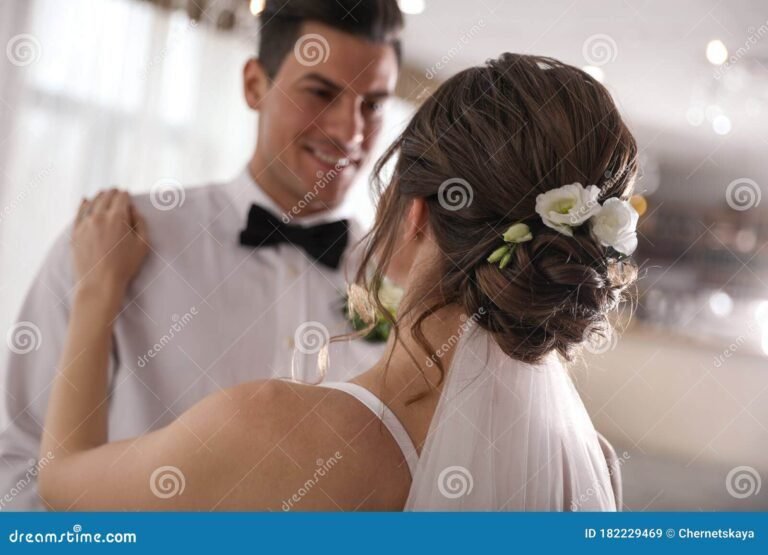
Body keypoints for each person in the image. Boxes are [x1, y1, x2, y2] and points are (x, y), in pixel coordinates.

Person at [35, 53, 640, 511]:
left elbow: (61, 486)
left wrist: (94, 293)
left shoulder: (270, 432)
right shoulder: (591, 469)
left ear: (417, 214)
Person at [0, 0, 404, 510]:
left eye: (372, 104)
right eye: (321, 93)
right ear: (255, 84)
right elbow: (23, 464)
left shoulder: (400, 277)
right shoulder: (115, 240)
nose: (350, 131)